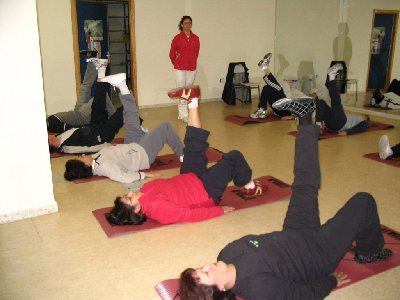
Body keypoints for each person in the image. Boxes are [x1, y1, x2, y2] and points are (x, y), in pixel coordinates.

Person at [179, 94, 392, 300]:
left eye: (200, 268)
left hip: (294, 233)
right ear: (220, 289)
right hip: (317, 256)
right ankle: (369, 251)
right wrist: (330, 282)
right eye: (205, 273)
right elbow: (301, 295)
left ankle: (306, 117)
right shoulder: (260, 288)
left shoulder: (227, 253)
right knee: (364, 201)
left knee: (303, 184)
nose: (207, 265)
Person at [106, 87, 267, 225]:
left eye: (126, 195)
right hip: (205, 191)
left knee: (192, 144)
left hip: (189, 178)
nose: (130, 193)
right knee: (234, 157)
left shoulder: (144, 190)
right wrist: (218, 211)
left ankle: (193, 100)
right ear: (137, 208)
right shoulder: (157, 209)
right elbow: (188, 216)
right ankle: (250, 187)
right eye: (129, 198)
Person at [64, 74, 185, 183]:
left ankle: (122, 85)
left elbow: (97, 148)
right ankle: (184, 155)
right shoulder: (105, 167)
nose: (83, 155)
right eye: (81, 157)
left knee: (129, 117)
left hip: (131, 145)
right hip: (142, 153)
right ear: (85, 165)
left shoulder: (94, 159)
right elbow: (123, 177)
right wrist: (145, 175)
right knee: (165, 127)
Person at [48, 73, 127, 155]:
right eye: (48, 138)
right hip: (102, 134)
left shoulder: (59, 135)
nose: (48, 135)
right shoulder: (68, 148)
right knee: (123, 111)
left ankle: (101, 69)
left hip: (94, 124)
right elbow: (88, 149)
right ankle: (136, 126)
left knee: (99, 97)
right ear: (51, 143)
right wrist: (107, 146)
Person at [47, 58, 114, 133]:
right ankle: (114, 119)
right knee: (100, 95)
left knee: (86, 87)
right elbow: (75, 129)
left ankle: (93, 62)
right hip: (82, 118)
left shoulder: (49, 123)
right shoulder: (54, 126)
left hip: (77, 112)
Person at [315, 64, 370, 136]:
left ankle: (331, 77)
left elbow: (362, 127)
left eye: (363, 115)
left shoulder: (364, 122)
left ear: (366, 118)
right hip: (332, 123)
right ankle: (318, 126)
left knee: (336, 101)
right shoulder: (352, 117)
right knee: (321, 102)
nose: (361, 115)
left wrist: (347, 133)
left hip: (340, 124)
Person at [169, 15, 200, 123]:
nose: (188, 25)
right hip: (179, 69)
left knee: (188, 91)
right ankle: (183, 114)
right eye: (186, 23)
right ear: (182, 25)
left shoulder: (196, 38)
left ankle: (188, 112)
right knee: (182, 91)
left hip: (191, 68)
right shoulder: (177, 38)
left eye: (189, 23)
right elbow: (172, 54)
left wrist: (191, 62)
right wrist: (177, 62)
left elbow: (196, 53)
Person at [250, 53, 295, 120]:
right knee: (267, 88)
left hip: (284, 110)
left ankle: (265, 67)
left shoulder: (307, 105)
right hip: (278, 107)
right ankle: (262, 110)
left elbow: (301, 113)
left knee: (277, 88)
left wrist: (291, 117)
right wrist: (272, 112)